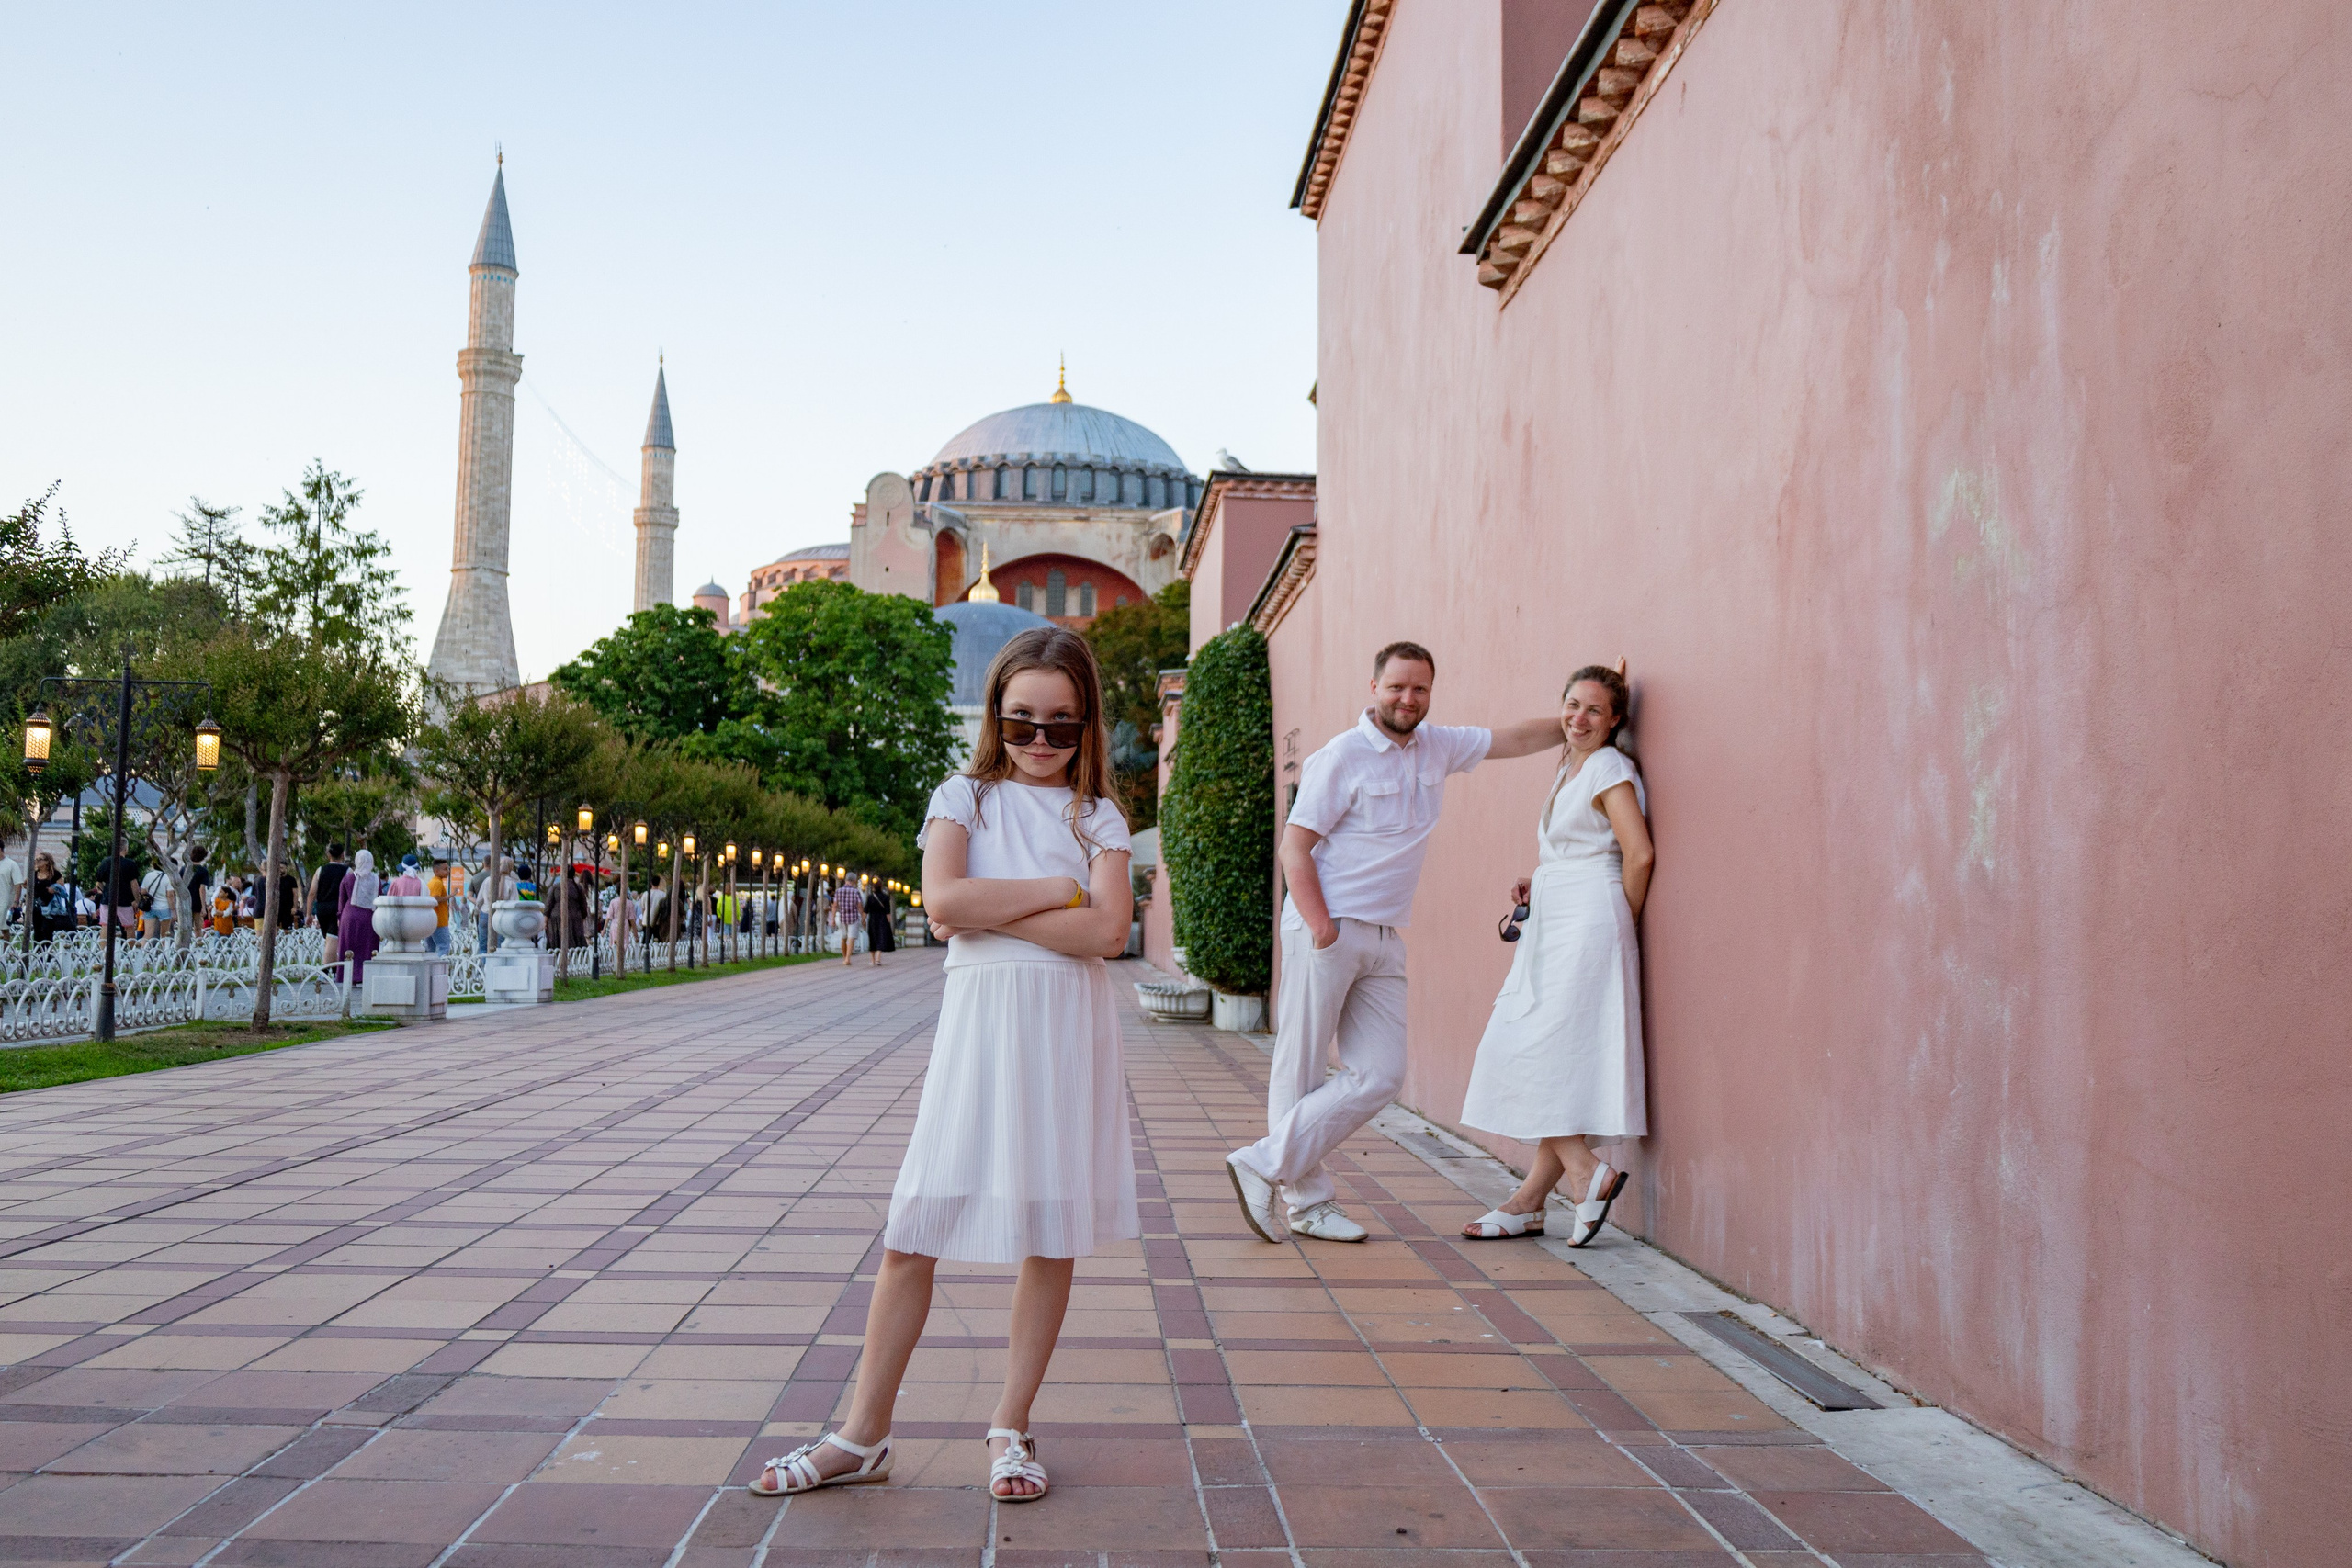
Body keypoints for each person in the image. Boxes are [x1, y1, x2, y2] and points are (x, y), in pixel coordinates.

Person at [752, 627, 1134, 1504]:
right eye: (1021, 721)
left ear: (1088, 726)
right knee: (912, 1230)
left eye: (1061, 725)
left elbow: (1107, 934)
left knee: (1049, 1230)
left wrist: (1001, 911)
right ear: (997, 716)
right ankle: (863, 1431)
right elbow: (944, 902)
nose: (1040, 741)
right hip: (978, 1032)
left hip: (1064, 1032)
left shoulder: (1098, 816)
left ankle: (1012, 1423)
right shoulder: (962, 794)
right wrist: (1060, 890)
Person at [1224, 640, 1573, 1245]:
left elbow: (1511, 739)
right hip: (1327, 926)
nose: (1407, 699)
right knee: (1301, 1067)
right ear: (1374, 686)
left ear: (1430, 694)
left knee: (1382, 1072)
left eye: (1419, 689)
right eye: (1396, 687)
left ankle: (1262, 1162)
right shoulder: (1342, 756)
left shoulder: (1439, 745)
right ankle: (1306, 1203)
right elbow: (1294, 847)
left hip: (1386, 934)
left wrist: (1577, 719)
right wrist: (1323, 927)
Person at [1458, 664, 1655, 1246]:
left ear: (1616, 719)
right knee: (1560, 1058)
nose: (1579, 718)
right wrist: (1543, 879)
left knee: (1523, 1046)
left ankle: (1586, 1173)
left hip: (1589, 922)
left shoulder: (1610, 767)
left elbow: (1637, 855)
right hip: (1560, 914)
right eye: (1572, 705)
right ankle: (1530, 1202)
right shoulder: (1571, 764)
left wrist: (1618, 926)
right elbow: (1580, 845)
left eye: (1596, 709)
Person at [338, 849, 379, 983]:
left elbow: (342, 899)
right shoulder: (376, 879)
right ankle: (365, 976)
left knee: (349, 947)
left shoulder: (349, 877)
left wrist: (339, 916)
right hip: (369, 917)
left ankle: (348, 976)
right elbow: (379, 898)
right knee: (367, 947)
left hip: (349, 915)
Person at [311, 843, 350, 964]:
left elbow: (312, 893)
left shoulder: (320, 870)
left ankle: (333, 969)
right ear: (342, 855)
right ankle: (325, 971)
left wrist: (308, 913)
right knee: (332, 939)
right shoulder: (347, 871)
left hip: (322, 908)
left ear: (328, 855)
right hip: (338, 908)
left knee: (329, 939)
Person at [92, 843, 141, 934]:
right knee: (129, 926)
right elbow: (134, 884)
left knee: (105, 926)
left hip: (107, 899)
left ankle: (103, 948)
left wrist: (106, 891)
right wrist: (137, 900)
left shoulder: (105, 862)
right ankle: (131, 948)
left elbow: (99, 882)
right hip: (125, 900)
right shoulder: (130, 863)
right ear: (126, 849)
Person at [30, 852, 66, 942]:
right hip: (37, 906)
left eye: (39, 859)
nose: (37, 862)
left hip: (50, 907)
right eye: (36, 860)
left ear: (47, 862)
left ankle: (48, 954)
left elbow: (63, 891)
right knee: (37, 931)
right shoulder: (34, 874)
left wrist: (54, 890)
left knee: (47, 931)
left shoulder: (55, 874)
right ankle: (38, 954)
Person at [863, 879, 896, 967]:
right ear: (881, 887)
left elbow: (865, 911)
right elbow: (888, 912)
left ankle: (872, 960)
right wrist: (889, 922)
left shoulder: (870, 897)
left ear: (873, 887)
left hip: (873, 920)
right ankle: (878, 958)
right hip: (882, 920)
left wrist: (863, 920)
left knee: (873, 938)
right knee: (880, 938)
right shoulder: (885, 897)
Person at [425, 853, 454, 953]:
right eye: (445, 869)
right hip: (439, 922)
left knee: (430, 950)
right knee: (444, 947)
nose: (448, 871)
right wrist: (450, 896)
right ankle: (440, 969)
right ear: (436, 871)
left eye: (448, 869)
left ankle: (430, 968)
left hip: (431, 921)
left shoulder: (432, 882)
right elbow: (435, 899)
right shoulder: (437, 883)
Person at [832, 875, 864, 965]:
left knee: (843, 937)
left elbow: (835, 905)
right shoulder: (855, 891)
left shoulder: (838, 891)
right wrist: (863, 916)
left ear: (846, 880)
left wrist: (833, 919)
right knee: (851, 938)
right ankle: (848, 958)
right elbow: (859, 905)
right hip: (853, 917)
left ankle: (844, 957)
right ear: (854, 881)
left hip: (841, 917)